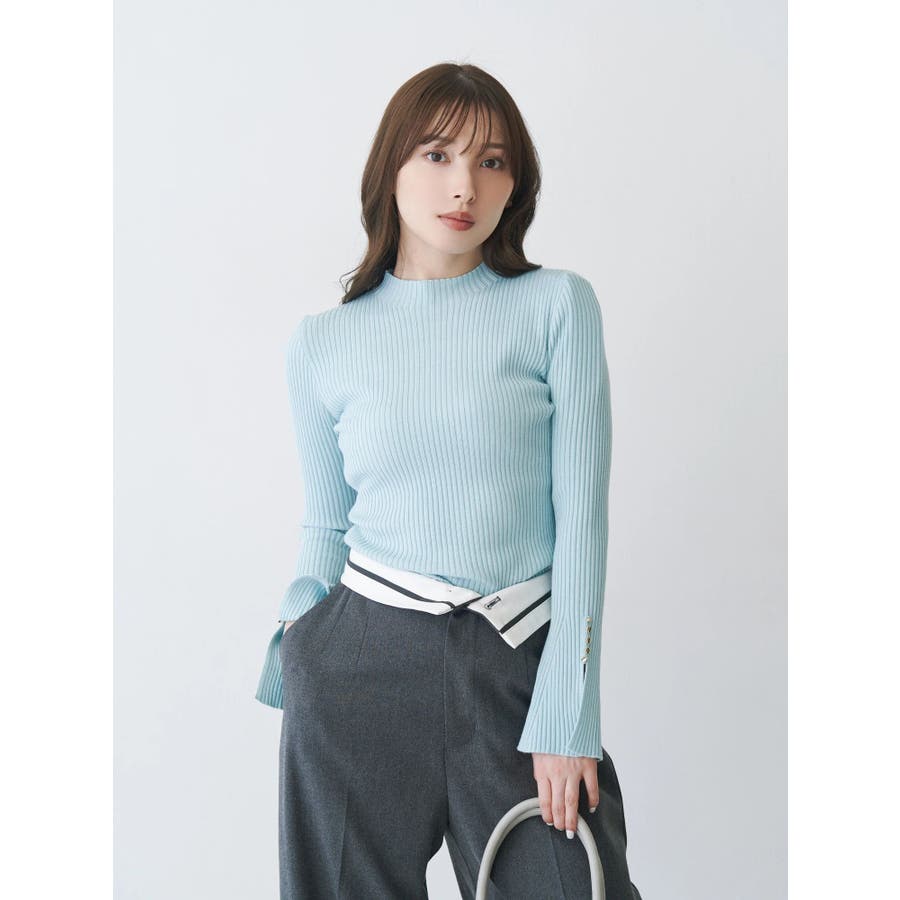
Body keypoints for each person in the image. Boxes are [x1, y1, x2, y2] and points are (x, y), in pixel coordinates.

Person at [255, 61, 643, 899]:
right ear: (390, 169)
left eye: (492, 161)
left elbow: (582, 519)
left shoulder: (556, 307)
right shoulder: (321, 343)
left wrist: (567, 714)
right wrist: (298, 631)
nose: (464, 185)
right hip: (360, 663)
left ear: (516, 185)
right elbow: (327, 522)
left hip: (516, 659)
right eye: (437, 154)